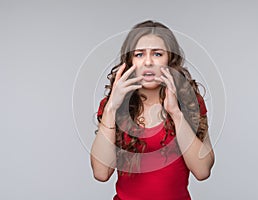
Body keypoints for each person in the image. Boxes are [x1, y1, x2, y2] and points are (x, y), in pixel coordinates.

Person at [90, 20, 215, 200]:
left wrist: (176, 113)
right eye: (139, 54)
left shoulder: (189, 102)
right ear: (130, 61)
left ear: (170, 59)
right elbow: (101, 173)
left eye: (157, 54)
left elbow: (202, 171)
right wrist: (111, 108)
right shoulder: (112, 107)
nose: (148, 62)